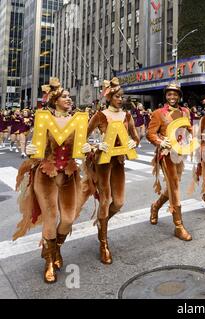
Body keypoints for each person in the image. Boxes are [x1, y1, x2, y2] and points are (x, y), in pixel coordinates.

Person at [13, 78, 92, 283]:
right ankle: (49, 260)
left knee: (68, 218)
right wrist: (31, 150)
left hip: (68, 174)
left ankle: (55, 247)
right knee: (51, 216)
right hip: (46, 174)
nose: (69, 99)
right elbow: (36, 145)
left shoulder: (77, 120)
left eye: (69, 97)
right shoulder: (44, 119)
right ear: (55, 99)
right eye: (65, 96)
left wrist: (87, 148)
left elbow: (81, 144)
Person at [79, 77, 140, 264]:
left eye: (122, 96)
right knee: (105, 200)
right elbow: (82, 137)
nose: (120, 99)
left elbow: (136, 138)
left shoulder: (127, 116)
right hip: (102, 163)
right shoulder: (99, 115)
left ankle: (101, 222)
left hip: (119, 162)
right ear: (109, 97)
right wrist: (96, 146)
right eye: (117, 96)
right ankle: (103, 243)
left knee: (119, 202)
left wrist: (133, 142)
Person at [147, 83, 193, 241]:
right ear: (165, 96)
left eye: (175, 94)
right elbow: (150, 133)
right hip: (165, 155)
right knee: (174, 187)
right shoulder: (158, 113)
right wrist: (160, 141)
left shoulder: (185, 112)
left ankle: (155, 206)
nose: (172, 97)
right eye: (169, 95)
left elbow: (189, 129)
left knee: (173, 185)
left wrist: (197, 138)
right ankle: (178, 226)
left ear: (179, 96)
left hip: (179, 154)